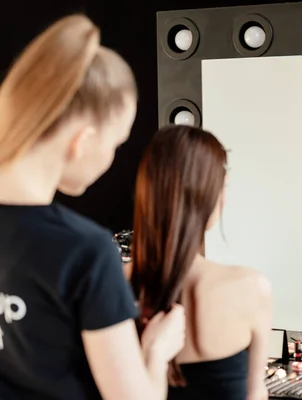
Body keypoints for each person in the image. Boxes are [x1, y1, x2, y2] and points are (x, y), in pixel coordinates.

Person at [0, 14, 185, 400]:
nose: (113, 158)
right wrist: (155, 352)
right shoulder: (84, 250)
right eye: (116, 144)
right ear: (82, 141)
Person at [128, 125, 273, 400]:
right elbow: (256, 394)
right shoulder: (251, 288)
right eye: (223, 187)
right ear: (207, 196)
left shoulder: (113, 285)